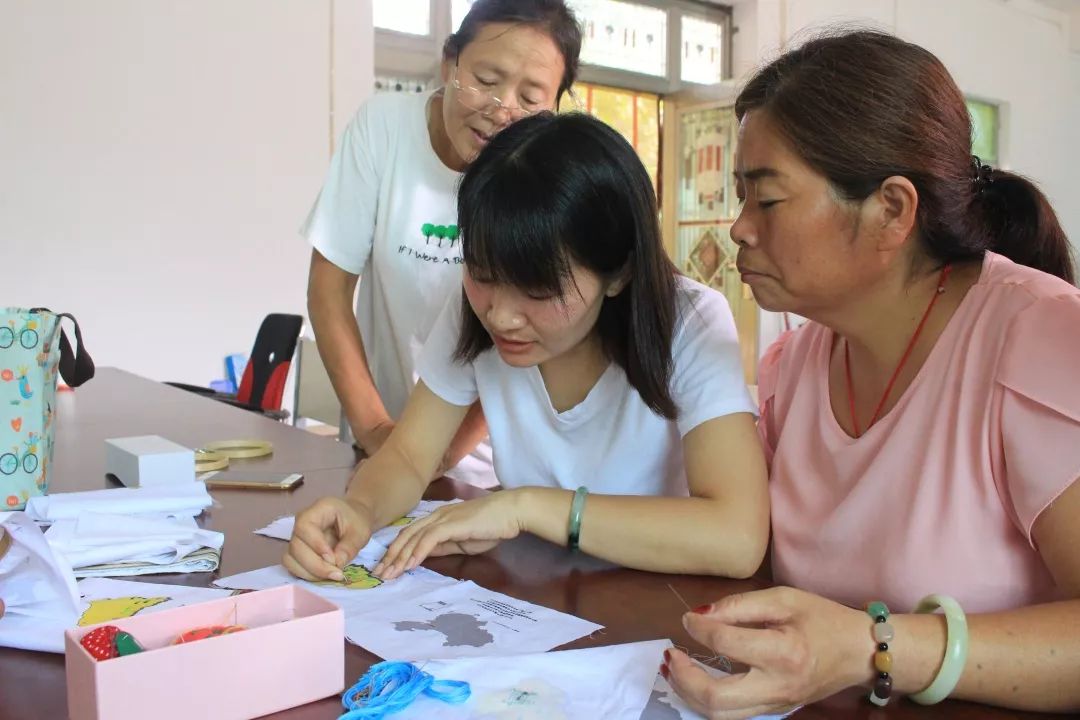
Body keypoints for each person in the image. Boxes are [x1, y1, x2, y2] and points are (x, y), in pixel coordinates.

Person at [662, 30, 1080, 717]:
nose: (737, 229)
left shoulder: (1036, 339)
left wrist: (875, 647)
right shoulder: (791, 368)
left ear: (890, 209)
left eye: (766, 201)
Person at [285, 112, 770, 583]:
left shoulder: (689, 323)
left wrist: (524, 507)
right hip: (536, 595)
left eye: (538, 291)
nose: (500, 315)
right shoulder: (473, 315)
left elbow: (737, 536)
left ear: (619, 271)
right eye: (483, 275)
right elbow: (410, 457)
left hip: (653, 605)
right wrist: (359, 510)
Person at [301, 0, 582, 487]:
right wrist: (377, 433)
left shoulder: (552, 176)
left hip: (505, 468)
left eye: (531, 96)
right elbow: (328, 292)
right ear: (449, 63)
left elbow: (535, 333)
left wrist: (440, 454)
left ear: (555, 106)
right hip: (382, 441)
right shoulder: (384, 130)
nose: (501, 111)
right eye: (487, 81)